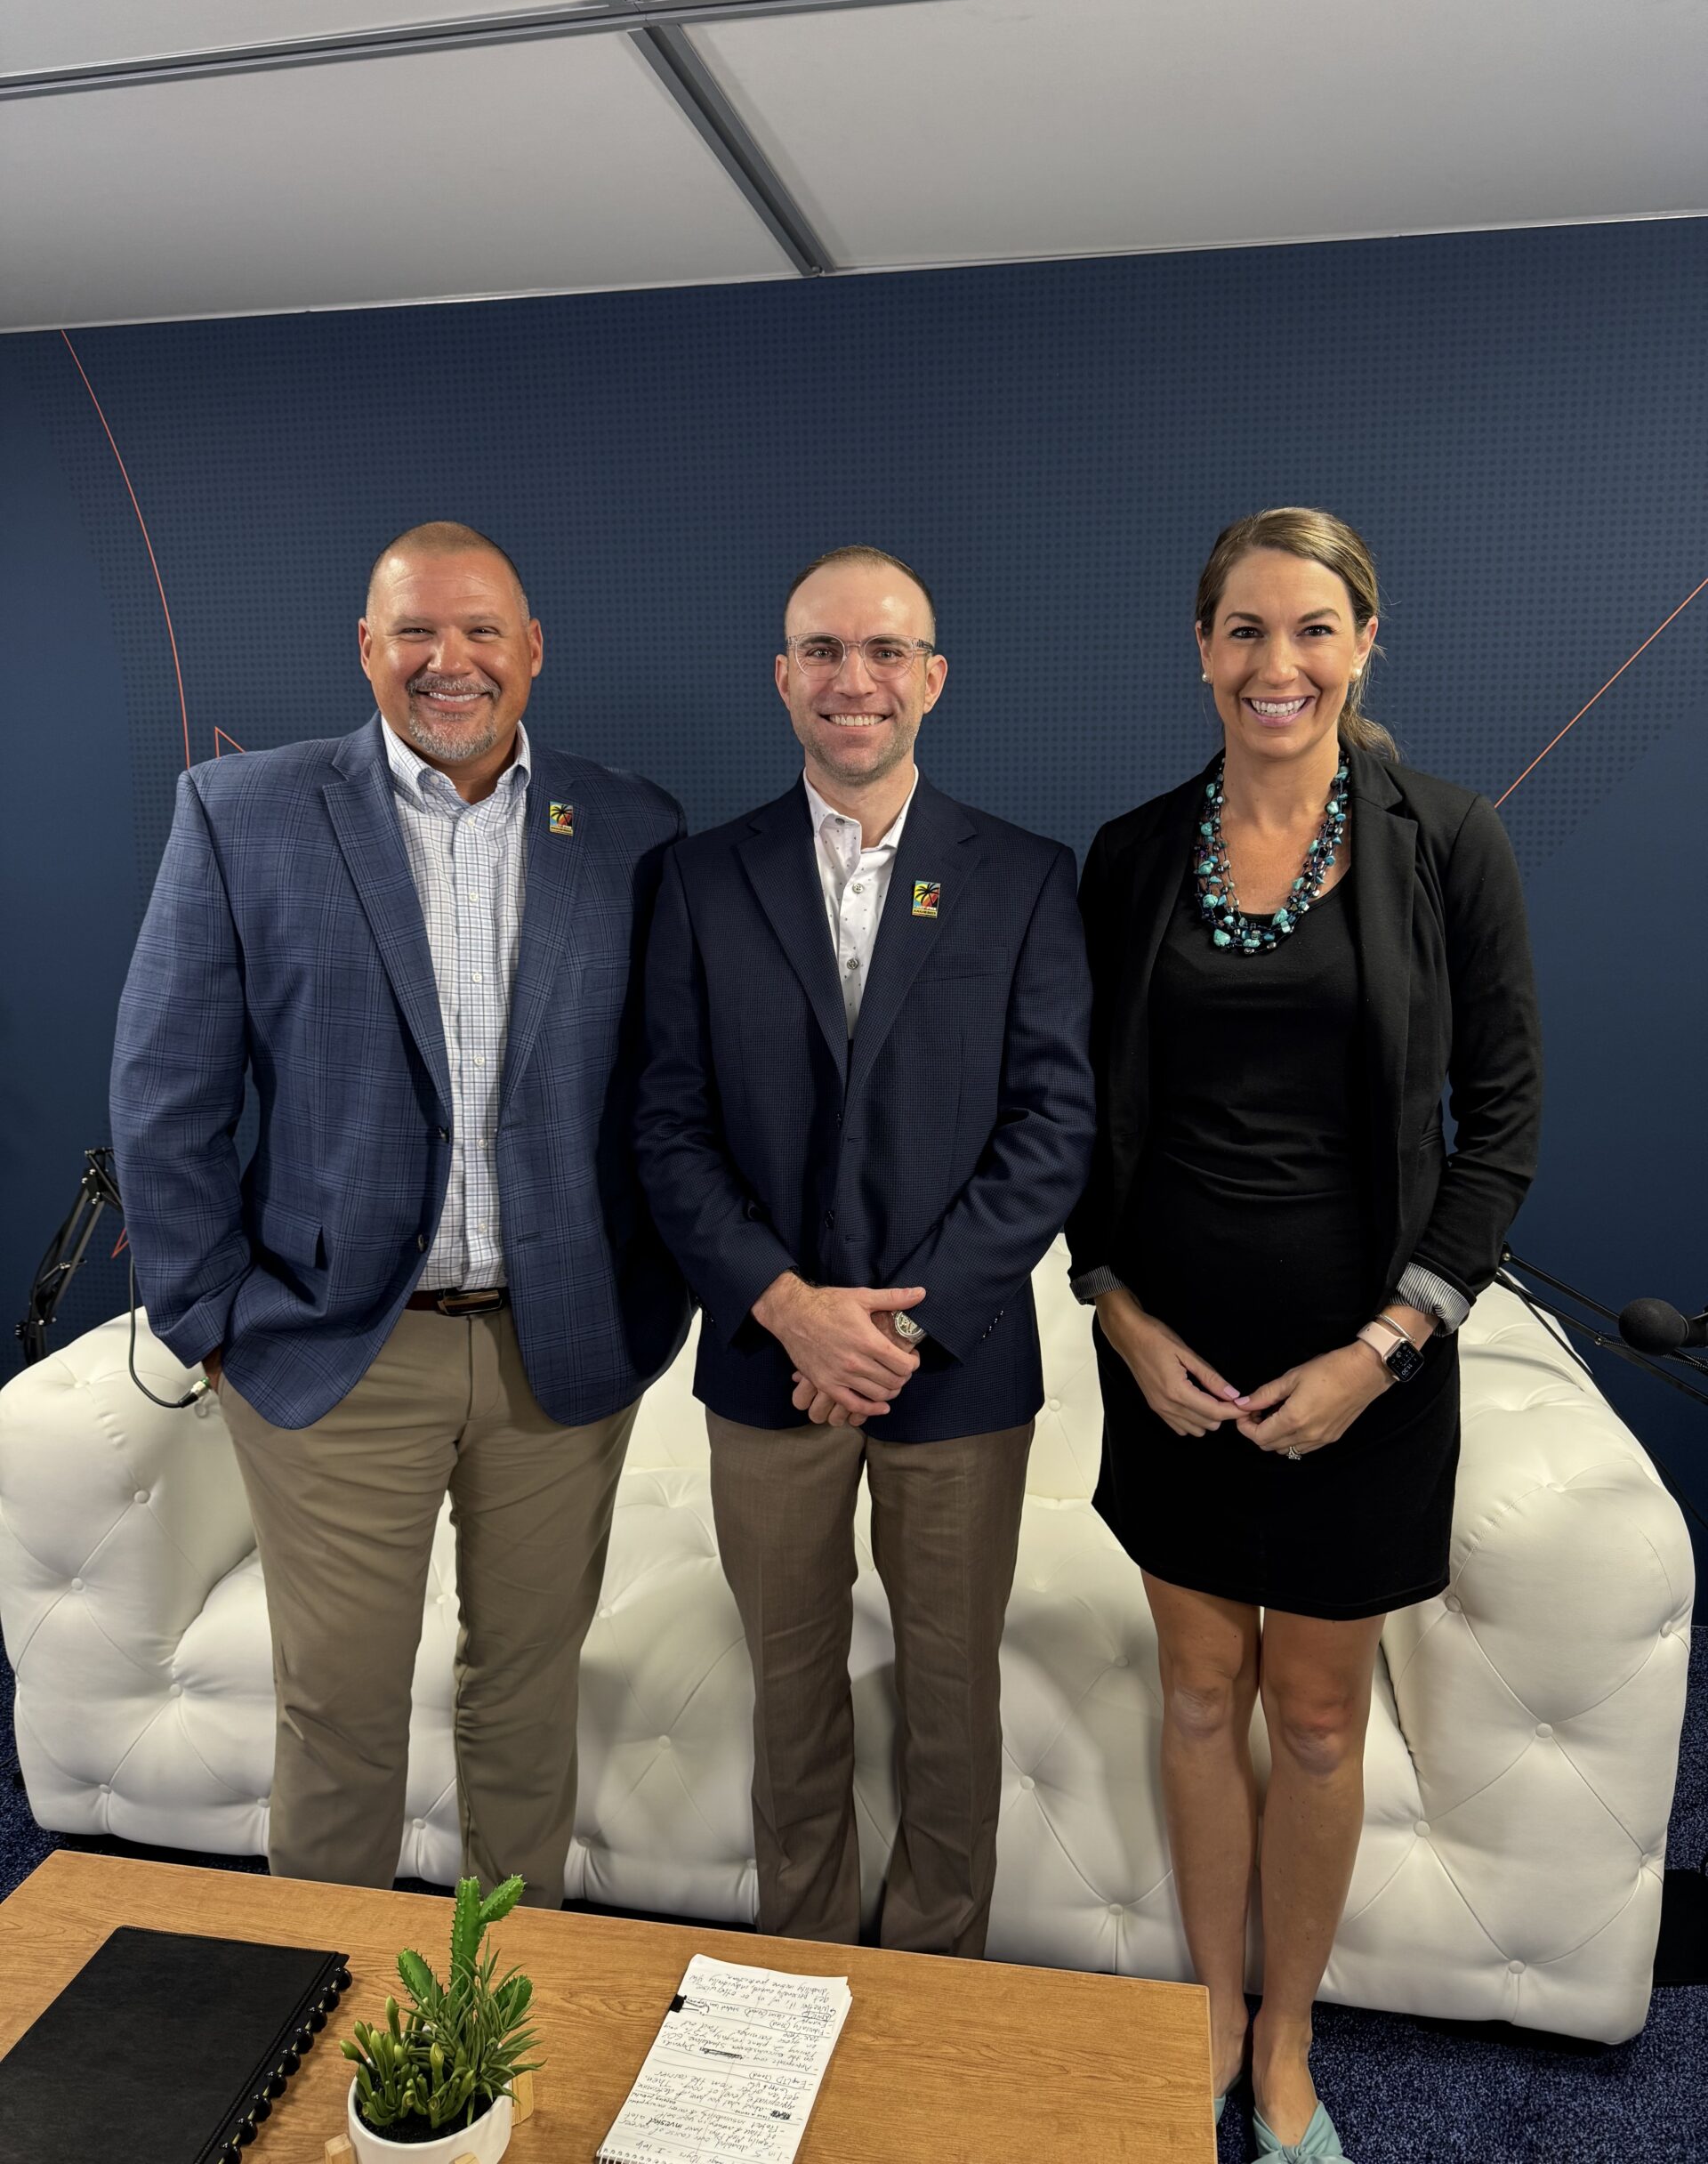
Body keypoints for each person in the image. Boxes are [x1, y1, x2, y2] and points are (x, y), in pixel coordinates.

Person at [110, 521, 690, 1904]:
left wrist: (650, 1296)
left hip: (562, 1350)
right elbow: (165, 1085)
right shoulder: (241, 813)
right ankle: (316, 2017)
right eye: (416, 632)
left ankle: (496, 2018)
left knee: (526, 1699)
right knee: (342, 1715)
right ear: (366, 650)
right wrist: (215, 1319)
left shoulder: (631, 826)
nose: (452, 662)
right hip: (337, 1350)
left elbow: (672, 1095)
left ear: (533, 653)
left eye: (484, 631)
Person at [1068, 508, 1541, 2158]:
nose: (1280, 666)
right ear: (1202, 651)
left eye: (1314, 631)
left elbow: (1503, 1123)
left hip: (1371, 1373)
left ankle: (1287, 2045)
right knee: (1201, 1696)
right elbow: (1076, 1123)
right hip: (1171, 1369)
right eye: (1247, 632)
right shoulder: (1131, 856)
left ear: (1363, 646)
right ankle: (1207, 2009)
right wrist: (1114, 1310)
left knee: (1320, 1715)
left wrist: (1388, 1346)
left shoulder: (1449, 840)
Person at [636, 545, 1094, 1955]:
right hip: (767, 1367)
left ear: (933, 680)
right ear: (783, 679)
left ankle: (935, 1979)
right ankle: (800, 1969)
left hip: (952, 1373)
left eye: (887, 652)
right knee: (790, 1691)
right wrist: (790, 1309)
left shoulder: (1022, 876)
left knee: (953, 1696)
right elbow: (666, 1129)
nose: (856, 680)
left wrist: (897, 1327)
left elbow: (1053, 1125)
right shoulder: (700, 881)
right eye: (824, 652)